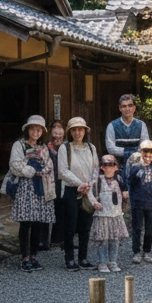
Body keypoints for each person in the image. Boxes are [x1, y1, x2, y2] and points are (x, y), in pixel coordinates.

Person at [9, 115, 56, 271]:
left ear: (42, 132)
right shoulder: (19, 145)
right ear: (28, 130)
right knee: (26, 222)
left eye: (39, 129)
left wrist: (44, 170)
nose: (36, 132)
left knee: (38, 222)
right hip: (25, 186)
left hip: (41, 186)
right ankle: (25, 257)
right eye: (33, 129)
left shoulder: (43, 147)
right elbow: (14, 165)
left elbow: (49, 164)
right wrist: (30, 170)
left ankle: (33, 255)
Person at [58, 116, 99, 271]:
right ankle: (69, 259)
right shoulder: (65, 148)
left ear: (85, 131)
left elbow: (96, 168)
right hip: (71, 189)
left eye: (80, 129)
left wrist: (89, 184)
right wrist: (79, 184)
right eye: (74, 130)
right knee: (70, 225)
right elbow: (63, 171)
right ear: (69, 132)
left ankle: (83, 257)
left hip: (88, 189)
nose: (77, 133)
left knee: (85, 226)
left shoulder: (91, 148)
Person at [89, 155, 129, 273]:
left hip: (116, 214)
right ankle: (102, 262)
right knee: (103, 240)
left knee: (115, 240)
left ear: (116, 167)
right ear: (102, 167)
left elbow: (125, 191)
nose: (109, 168)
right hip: (102, 215)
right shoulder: (98, 180)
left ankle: (113, 261)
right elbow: (89, 192)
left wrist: (126, 196)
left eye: (111, 165)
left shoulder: (119, 179)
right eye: (105, 165)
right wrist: (95, 203)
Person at [127, 139, 152, 263]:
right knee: (137, 228)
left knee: (150, 229)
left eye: (151, 152)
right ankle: (136, 252)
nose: (148, 155)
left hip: (151, 203)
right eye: (145, 152)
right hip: (137, 202)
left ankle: (147, 251)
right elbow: (129, 181)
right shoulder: (134, 165)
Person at [105, 94, 150, 166]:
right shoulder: (112, 126)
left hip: (137, 164)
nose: (127, 109)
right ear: (120, 108)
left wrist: (126, 152)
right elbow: (111, 148)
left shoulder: (141, 125)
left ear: (134, 108)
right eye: (124, 106)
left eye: (130, 105)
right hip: (118, 166)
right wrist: (133, 152)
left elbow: (145, 146)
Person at [44, 120, 67, 249]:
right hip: (48, 182)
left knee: (61, 209)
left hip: (63, 182)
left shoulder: (67, 147)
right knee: (46, 210)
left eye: (60, 128)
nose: (57, 132)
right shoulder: (46, 148)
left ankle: (57, 239)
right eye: (54, 128)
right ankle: (43, 241)